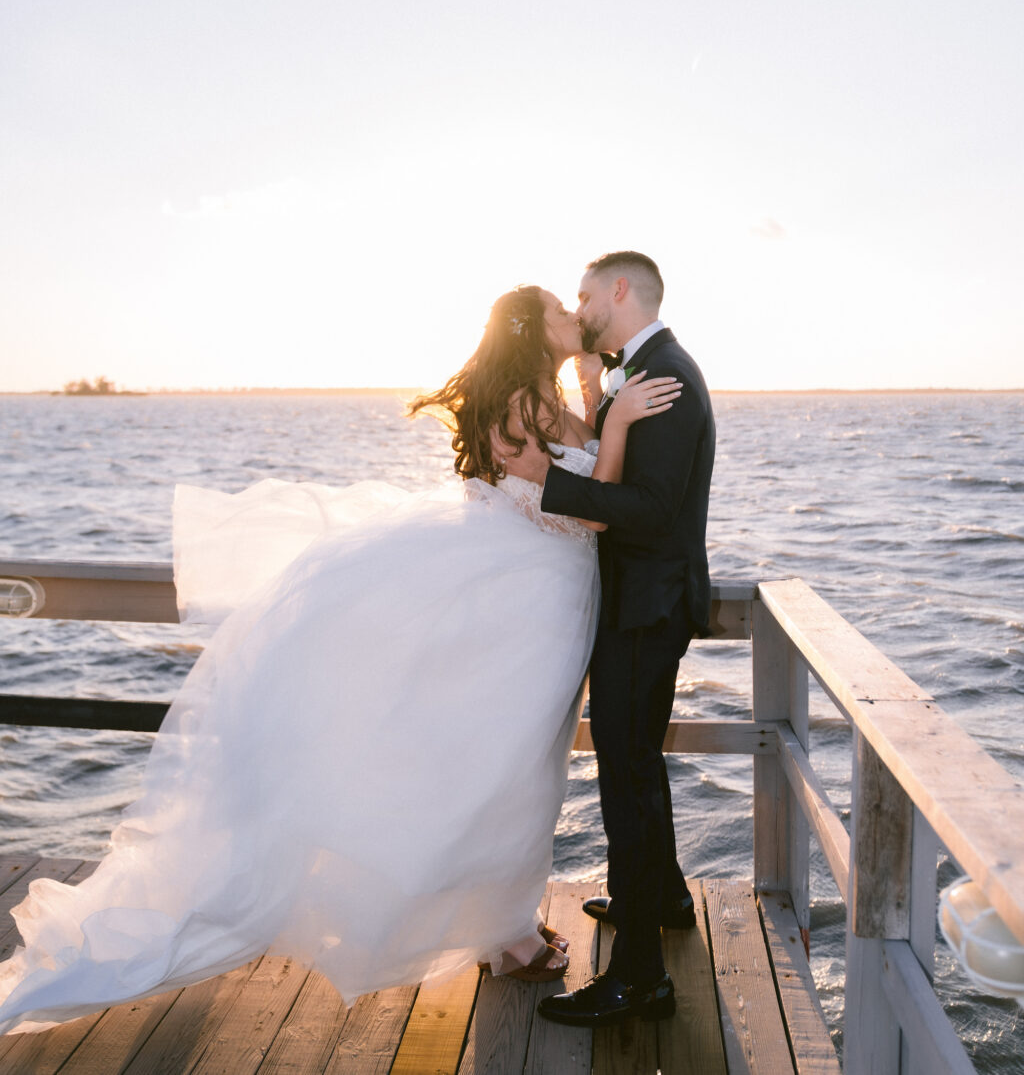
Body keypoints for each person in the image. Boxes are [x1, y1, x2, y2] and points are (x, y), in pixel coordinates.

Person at [0, 283, 682, 1037]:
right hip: (524, 605)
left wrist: (594, 387)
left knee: (512, 763)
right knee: (507, 766)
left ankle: (505, 927)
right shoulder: (523, 403)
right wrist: (615, 419)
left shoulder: (537, 393)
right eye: (561, 307)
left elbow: (575, 471)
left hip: (546, 596)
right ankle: (506, 934)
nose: (573, 315)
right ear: (530, 326)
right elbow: (586, 506)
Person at [502, 252, 716, 1029]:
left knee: (625, 780)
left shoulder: (668, 378)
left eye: (587, 293)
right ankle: (660, 900)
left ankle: (639, 980)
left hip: (643, 609)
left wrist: (537, 483)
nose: (582, 306)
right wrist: (603, 401)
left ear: (619, 291)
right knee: (636, 765)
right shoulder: (646, 367)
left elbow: (652, 509)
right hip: (637, 603)